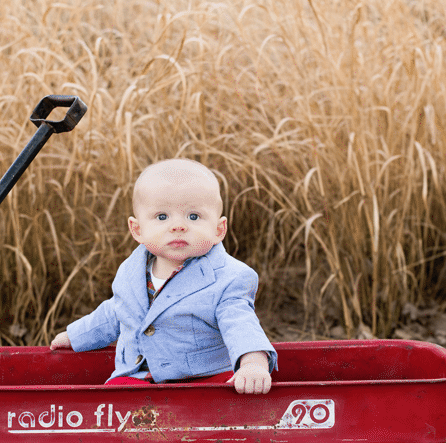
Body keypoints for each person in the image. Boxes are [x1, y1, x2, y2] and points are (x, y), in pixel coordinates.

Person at [50, 159, 276, 393]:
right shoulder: (131, 272)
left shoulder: (229, 278)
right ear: (137, 230)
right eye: (162, 217)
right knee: (113, 398)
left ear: (219, 229)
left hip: (204, 378)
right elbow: (116, 311)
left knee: (227, 394)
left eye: (194, 216)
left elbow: (240, 323)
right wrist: (76, 335)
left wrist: (252, 363)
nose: (178, 226)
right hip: (139, 376)